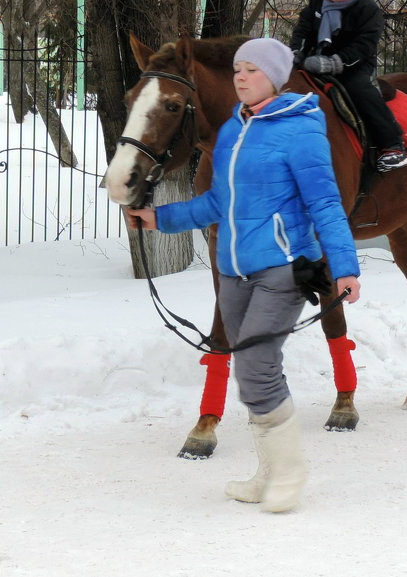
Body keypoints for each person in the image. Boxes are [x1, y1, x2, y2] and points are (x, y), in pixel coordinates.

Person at [125, 36, 362, 513]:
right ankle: (267, 472)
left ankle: (289, 472)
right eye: (237, 69)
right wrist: (159, 218)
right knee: (257, 374)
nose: (239, 76)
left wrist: (346, 267)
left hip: (283, 266)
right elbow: (217, 203)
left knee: (255, 367)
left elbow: (325, 203)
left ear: (273, 77)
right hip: (233, 269)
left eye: (251, 70)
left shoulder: (302, 128)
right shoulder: (234, 129)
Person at [290, 0, 407, 171]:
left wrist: (333, 63)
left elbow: (363, 47)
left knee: (359, 90)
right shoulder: (317, 2)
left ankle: (393, 144)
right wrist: (297, 51)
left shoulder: (368, 11)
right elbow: (303, 28)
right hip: (315, 60)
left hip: (354, 65)